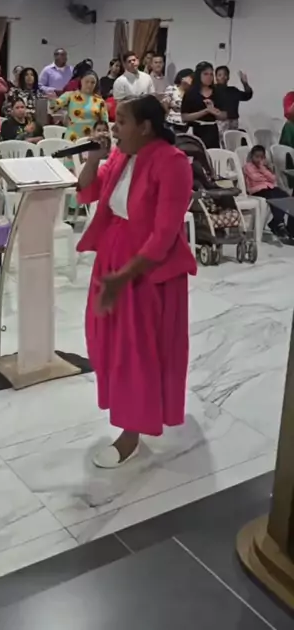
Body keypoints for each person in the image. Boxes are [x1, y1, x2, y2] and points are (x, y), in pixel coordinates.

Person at [77, 95, 196, 467]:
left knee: (136, 351)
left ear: (145, 127)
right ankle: (126, 413)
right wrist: (93, 159)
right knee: (107, 343)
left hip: (145, 269)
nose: (114, 128)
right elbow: (88, 191)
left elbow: (164, 235)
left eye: (122, 121)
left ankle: (131, 434)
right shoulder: (121, 156)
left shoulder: (172, 163)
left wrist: (124, 276)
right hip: (114, 257)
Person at [243, 145, 294, 239]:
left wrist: (263, 169)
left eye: (261, 157)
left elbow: (273, 178)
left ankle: (275, 222)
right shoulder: (248, 166)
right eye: (256, 157)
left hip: (269, 187)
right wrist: (264, 174)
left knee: (285, 196)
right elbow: (255, 177)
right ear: (252, 156)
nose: (259, 159)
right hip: (257, 190)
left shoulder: (264, 167)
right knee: (274, 198)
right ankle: (279, 223)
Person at [51, 70, 109, 145]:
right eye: (87, 82)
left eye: (93, 82)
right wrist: (52, 99)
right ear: (81, 81)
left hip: (91, 138)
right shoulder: (70, 95)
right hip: (72, 137)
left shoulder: (100, 101)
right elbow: (54, 107)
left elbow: (105, 122)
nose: (89, 84)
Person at [181, 61, 227, 149]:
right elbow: (184, 117)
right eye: (205, 74)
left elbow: (224, 115)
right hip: (196, 131)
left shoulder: (218, 92)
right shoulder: (190, 93)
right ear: (199, 75)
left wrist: (214, 111)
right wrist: (205, 111)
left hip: (212, 131)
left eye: (211, 74)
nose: (209, 77)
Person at [215, 66, 253, 132]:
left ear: (228, 77)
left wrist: (245, 83)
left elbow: (247, 96)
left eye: (225, 75)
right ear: (216, 77)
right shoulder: (213, 91)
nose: (222, 77)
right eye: (220, 75)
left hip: (234, 122)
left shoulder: (233, 90)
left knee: (233, 138)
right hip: (220, 123)